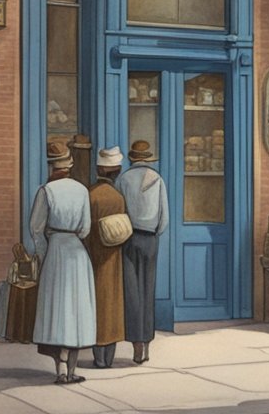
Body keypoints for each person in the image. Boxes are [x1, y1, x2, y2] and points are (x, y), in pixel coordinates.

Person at [30, 141, 97, 384]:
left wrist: (43, 252)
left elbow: (36, 228)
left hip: (55, 250)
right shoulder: (81, 190)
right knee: (77, 309)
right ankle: (72, 369)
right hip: (76, 252)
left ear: (50, 166)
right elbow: (85, 228)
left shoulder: (45, 191)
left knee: (57, 309)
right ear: (69, 164)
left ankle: (59, 369)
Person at [117, 139, 168, 365]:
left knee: (132, 292)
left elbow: (119, 212)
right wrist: (156, 232)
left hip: (129, 237)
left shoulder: (123, 179)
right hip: (150, 239)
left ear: (131, 158)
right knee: (148, 290)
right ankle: (147, 344)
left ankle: (136, 344)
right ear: (148, 158)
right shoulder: (157, 179)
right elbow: (164, 216)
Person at [87, 146, 128, 368]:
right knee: (112, 305)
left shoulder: (91, 195)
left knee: (96, 305)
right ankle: (109, 356)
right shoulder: (118, 198)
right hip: (114, 258)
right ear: (117, 171)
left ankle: (97, 356)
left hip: (94, 257)